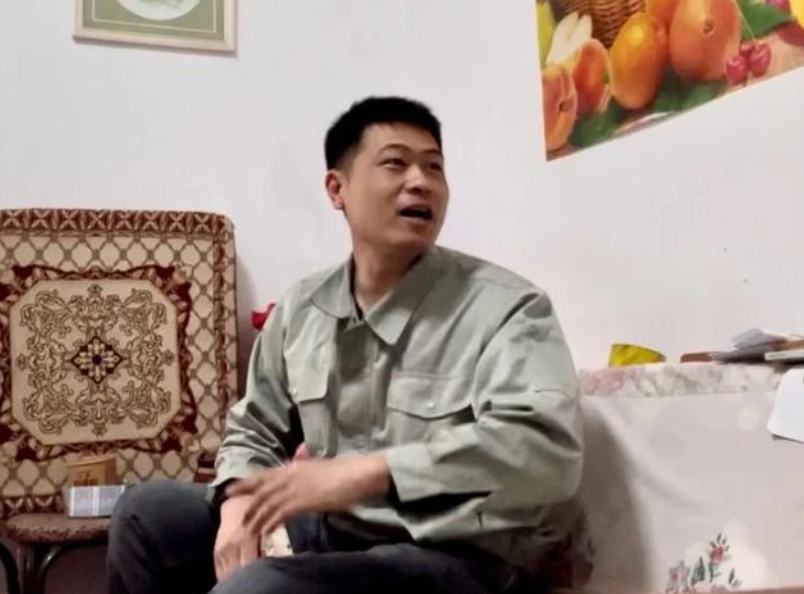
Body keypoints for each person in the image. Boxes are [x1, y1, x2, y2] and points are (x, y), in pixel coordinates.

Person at [107, 96, 583, 594]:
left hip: (460, 555)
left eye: (434, 167)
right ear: (338, 189)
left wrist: (374, 472)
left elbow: (547, 453)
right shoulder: (303, 308)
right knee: (145, 517)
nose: (420, 181)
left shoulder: (507, 308)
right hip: (338, 535)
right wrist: (239, 502)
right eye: (396, 163)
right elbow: (255, 427)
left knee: (257, 590)